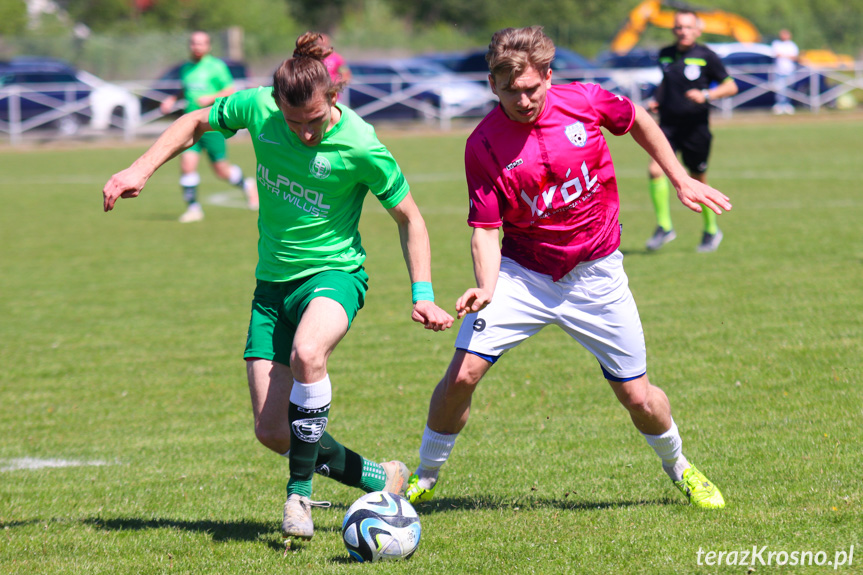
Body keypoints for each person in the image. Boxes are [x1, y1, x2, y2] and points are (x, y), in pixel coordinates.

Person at [103, 31, 454, 543]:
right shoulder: (258, 110)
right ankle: (381, 478)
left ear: (333, 97)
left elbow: (410, 218)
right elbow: (195, 120)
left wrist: (422, 292)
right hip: (271, 287)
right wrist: (140, 168)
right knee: (272, 433)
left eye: (313, 121)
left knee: (309, 352)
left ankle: (299, 496)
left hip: (335, 275)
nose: (305, 133)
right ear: (275, 106)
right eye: (294, 123)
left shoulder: (360, 142)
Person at [404, 26, 731, 511]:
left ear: (549, 77)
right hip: (523, 274)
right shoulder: (483, 145)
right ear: (493, 86)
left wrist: (680, 178)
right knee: (462, 374)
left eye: (533, 88)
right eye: (511, 90)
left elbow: (637, 117)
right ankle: (425, 475)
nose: (523, 100)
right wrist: (487, 287)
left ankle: (680, 466)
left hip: (596, 274)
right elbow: (486, 230)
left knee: (639, 398)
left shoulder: (583, 101)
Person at [644, 10, 738, 253]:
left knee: (697, 179)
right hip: (667, 126)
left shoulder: (707, 55)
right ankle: (664, 226)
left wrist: (706, 95)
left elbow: (731, 86)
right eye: (678, 27)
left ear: (697, 30)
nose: (683, 31)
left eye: (687, 27)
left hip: (696, 128)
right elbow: (667, 83)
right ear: (673, 30)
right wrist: (656, 100)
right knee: (655, 170)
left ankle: (711, 230)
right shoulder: (665, 54)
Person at [160, 30, 259, 222]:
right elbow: (185, 89)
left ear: (208, 46)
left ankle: (246, 184)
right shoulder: (186, 68)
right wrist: (172, 99)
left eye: (200, 43)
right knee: (187, 165)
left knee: (221, 170)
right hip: (190, 125)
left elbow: (230, 89)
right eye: (193, 43)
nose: (196, 46)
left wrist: (210, 97)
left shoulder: (216, 66)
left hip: (211, 124)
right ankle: (193, 209)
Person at [771, 29, 799, 115]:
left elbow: (794, 57)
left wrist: (783, 55)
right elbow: (776, 54)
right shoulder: (776, 44)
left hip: (789, 70)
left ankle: (787, 105)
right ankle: (780, 105)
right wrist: (787, 56)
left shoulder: (792, 45)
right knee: (780, 89)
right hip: (779, 71)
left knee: (789, 88)